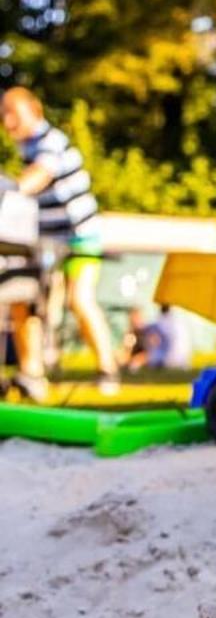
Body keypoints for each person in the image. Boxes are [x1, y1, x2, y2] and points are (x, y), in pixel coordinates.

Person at [1, 87, 118, 398]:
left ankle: (108, 370)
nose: (8, 121)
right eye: (4, 115)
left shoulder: (49, 141)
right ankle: (32, 374)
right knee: (25, 300)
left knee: (79, 299)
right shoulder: (27, 147)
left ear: (34, 110)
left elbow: (38, 176)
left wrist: (9, 187)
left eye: (14, 113)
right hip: (47, 240)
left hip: (81, 236)